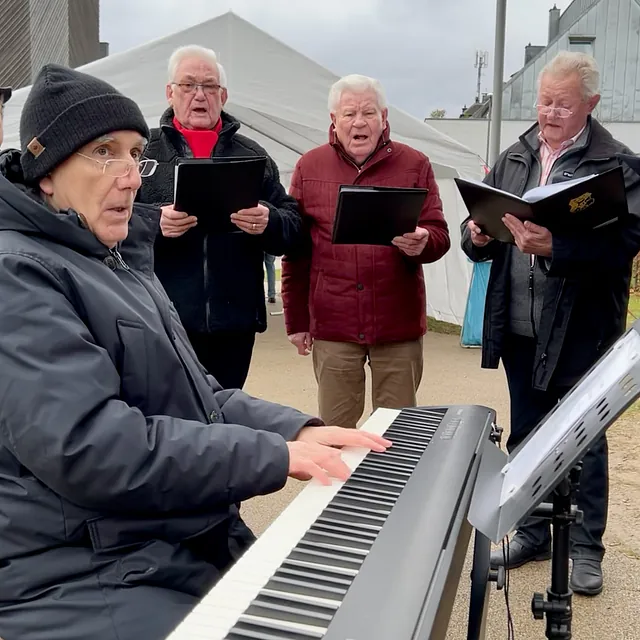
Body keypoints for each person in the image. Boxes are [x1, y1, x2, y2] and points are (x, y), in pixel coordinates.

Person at [0, 63, 390, 640]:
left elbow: (199, 394)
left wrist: (301, 430)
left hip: (151, 543)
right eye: (103, 153)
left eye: (135, 154)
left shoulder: (116, 259)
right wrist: (271, 456)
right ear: (46, 172)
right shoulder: (20, 273)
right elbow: (92, 447)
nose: (131, 176)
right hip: (74, 568)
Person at [461, 51, 640, 596]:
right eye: (543, 101)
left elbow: (627, 244)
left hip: (581, 330)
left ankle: (586, 548)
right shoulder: (515, 155)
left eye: (563, 104)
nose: (550, 113)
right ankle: (535, 530)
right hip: (520, 325)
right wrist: (477, 236)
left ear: (590, 104)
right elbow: (479, 233)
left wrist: (557, 246)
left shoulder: (619, 166)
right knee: (529, 434)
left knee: (585, 442)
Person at [282, 74, 450, 429]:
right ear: (333, 120)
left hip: (397, 323)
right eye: (349, 114)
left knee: (399, 432)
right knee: (335, 430)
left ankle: (396, 487)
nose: (359, 122)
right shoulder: (309, 167)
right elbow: (296, 252)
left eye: (368, 113)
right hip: (334, 323)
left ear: (384, 118)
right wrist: (297, 321)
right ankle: (341, 487)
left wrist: (423, 241)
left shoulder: (414, 164)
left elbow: (439, 235)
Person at [137, 45, 304, 390]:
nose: (199, 95)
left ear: (223, 96)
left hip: (234, 322)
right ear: (170, 92)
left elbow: (294, 227)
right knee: (171, 417)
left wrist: (268, 220)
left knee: (226, 414)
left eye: (209, 86)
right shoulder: (143, 153)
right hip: (161, 318)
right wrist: (152, 222)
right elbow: (106, 222)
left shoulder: (253, 155)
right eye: (188, 85)